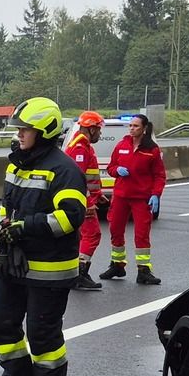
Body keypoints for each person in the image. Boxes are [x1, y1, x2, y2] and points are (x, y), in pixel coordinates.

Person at [0, 97, 89, 376]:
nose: (19, 134)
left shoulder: (65, 170)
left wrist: (25, 226)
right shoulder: (17, 162)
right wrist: (5, 226)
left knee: (42, 332)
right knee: (0, 323)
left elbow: (71, 217)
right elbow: (9, 205)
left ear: (44, 131)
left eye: (25, 130)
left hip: (50, 266)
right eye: (18, 129)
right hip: (15, 261)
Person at [103, 112, 167, 286]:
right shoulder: (121, 145)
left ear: (144, 128)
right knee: (115, 229)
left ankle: (143, 271)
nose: (132, 129)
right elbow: (111, 168)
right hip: (121, 197)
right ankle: (117, 265)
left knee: (141, 234)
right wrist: (117, 170)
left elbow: (159, 175)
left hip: (141, 198)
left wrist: (156, 194)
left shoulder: (152, 150)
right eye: (130, 126)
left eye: (136, 126)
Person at [65, 110, 107, 291]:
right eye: (98, 129)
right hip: (81, 202)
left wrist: (98, 195)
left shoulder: (83, 145)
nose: (100, 133)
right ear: (90, 129)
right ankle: (79, 274)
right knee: (92, 235)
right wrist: (89, 203)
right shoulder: (80, 148)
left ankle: (78, 272)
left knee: (83, 236)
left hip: (85, 200)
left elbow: (89, 178)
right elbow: (78, 180)